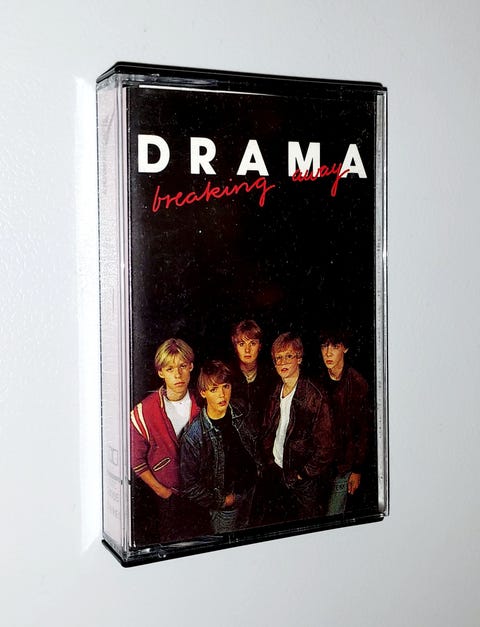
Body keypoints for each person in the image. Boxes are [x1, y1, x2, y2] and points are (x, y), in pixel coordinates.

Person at [130, 338, 205, 544]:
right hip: (168, 495)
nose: (178, 375)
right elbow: (135, 460)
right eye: (170, 369)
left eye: (182, 366)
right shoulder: (145, 411)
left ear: (191, 367)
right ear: (161, 372)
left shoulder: (204, 401)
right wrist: (161, 491)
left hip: (202, 493)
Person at [259, 332, 334, 524]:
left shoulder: (314, 395)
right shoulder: (276, 389)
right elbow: (268, 429)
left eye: (289, 356)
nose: (283, 362)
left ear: (299, 358)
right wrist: (269, 460)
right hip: (278, 470)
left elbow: (325, 447)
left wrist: (303, 474)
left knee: (307, 526)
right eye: (278, 358)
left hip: (303, 480)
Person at [180, 360, 258, 533]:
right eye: (214, 389)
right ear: (203, 392)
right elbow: (190, 486)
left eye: (226, 386)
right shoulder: (194, 436)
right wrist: (222, 501)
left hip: (250, 488)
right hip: (226, 502)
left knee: (247, 531)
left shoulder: (240, 409)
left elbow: (254, 441)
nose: (222, 395)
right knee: (228, 542)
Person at [318, 327, 370, 516]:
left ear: (345, 348)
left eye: (335, 346)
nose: (328, 353)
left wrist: (357, 469)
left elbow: (363, 431)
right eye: (324, 347)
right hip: (320, 465)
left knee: (333, 516)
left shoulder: (357, 383)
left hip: (344, 466)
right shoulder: (317, 379)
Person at [229, 319, 275, 440]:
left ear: (260, 346)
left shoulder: (271, 377)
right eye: (242, 344)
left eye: (252, 343)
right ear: (235, 347)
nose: (247, 350)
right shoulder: (227, 376)